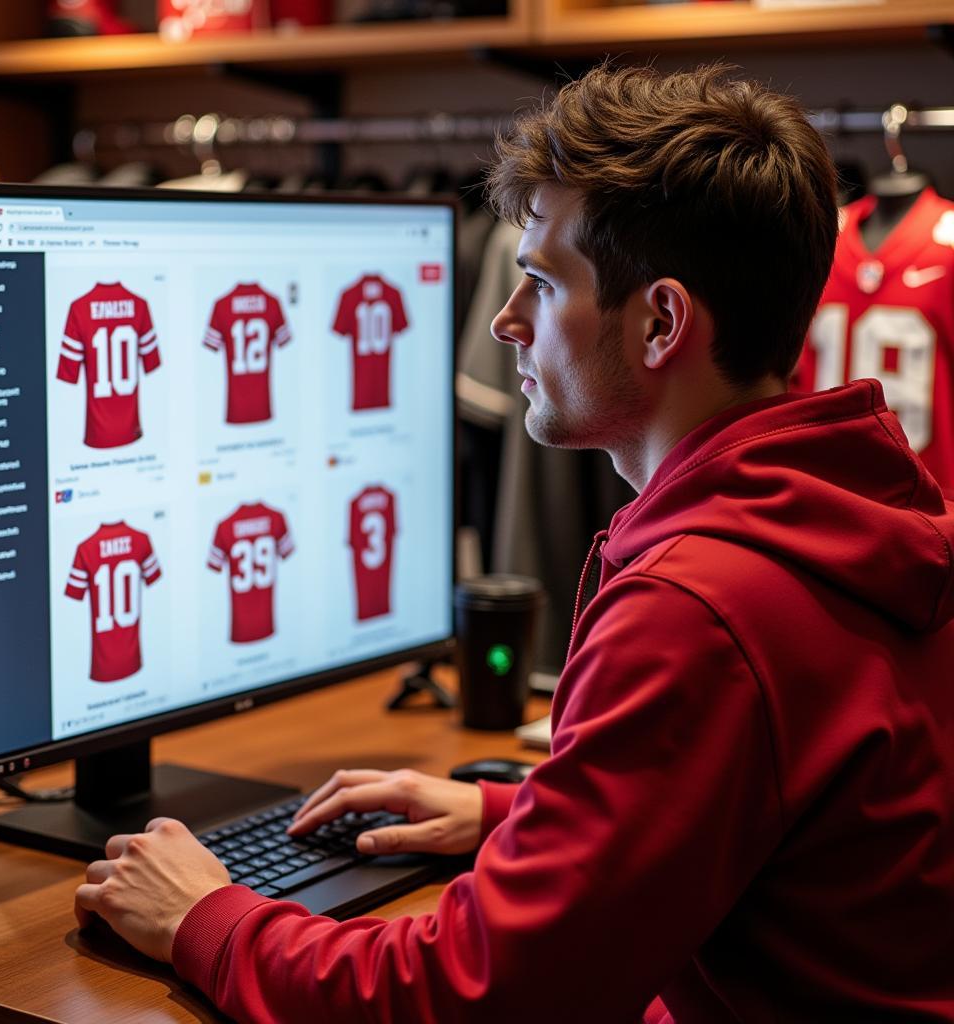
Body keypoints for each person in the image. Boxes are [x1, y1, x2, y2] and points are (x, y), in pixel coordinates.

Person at [74, 63, 954, 1022]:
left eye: (539, 281)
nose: (504, 320)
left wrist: (208, 917)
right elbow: (766, 802)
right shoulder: (849, 501)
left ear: (661, 321)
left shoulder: (700, 606)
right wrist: (513, 816)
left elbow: (475, 996)